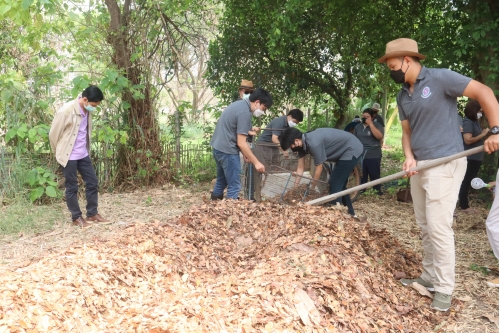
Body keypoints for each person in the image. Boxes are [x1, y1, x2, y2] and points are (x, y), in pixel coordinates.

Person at [378, 38, 499, 311]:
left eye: (393, 66)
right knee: (424, 225)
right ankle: (430, 276)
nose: (391, 71)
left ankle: (444, 288)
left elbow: (485, 92)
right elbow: (407, 132)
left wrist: (496, 129)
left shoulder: (441, 78)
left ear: (408, 60)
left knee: (438, 227)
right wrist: (408, 157)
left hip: (445, 162)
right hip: (420, 165)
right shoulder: (402, 95)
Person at [49, 86, 108, 228]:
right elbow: (53, 134)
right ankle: (76, 217)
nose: (94, 108)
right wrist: (59, 153)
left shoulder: (87, 109)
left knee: (93, 182)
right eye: (93, 105)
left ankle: (92, 213)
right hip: (68, 156)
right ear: (85, 99)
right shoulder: (66, 111)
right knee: (72, 187)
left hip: (83, 154)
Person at [279, 127, 363, 216]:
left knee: (335, 183)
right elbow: (300, 168)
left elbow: (319, 169)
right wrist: (295, 189)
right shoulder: (302, 145)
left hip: (351, 148)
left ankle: (337, 215)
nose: (291, 148)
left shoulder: (313, 143)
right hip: (344, 150)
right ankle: (351, 213)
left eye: (290, 146)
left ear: (296, 141)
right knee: (339, 183)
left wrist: (311, 189)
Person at [210, 88, 272, 200]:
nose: (263, 112)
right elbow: (242, 143)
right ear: (257, 102)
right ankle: (229, 213)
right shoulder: (244, 112)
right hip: (228, 151)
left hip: (218, 147)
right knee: (235, 185)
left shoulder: (239, 105)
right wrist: (256, 162)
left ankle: (214, 205)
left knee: (221, 180)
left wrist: (245, 153)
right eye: (264, 108)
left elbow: (236, 133)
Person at [458, 100, 490, 212]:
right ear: (473, 110)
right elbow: (468, 140)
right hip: (470, 157)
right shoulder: (468, 122)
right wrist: (483, 134)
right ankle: (464, 206)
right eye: (479, 110)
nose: (480, 113)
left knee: (467, 180)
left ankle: (462, 203)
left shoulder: (475, 122)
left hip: (476, 157)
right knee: (466, 180)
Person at [354, 108, 384, 195]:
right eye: (363, 117)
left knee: (374, 173)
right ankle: (361, 189)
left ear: (372, 117)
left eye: (367, 117)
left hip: (373, 153)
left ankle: (376, 190)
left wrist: (370, 124)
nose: (365, 118)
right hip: (361, 153)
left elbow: (379, 136)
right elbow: (355, 140)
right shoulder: (358, 127)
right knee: (361, 173)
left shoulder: (377, 125)